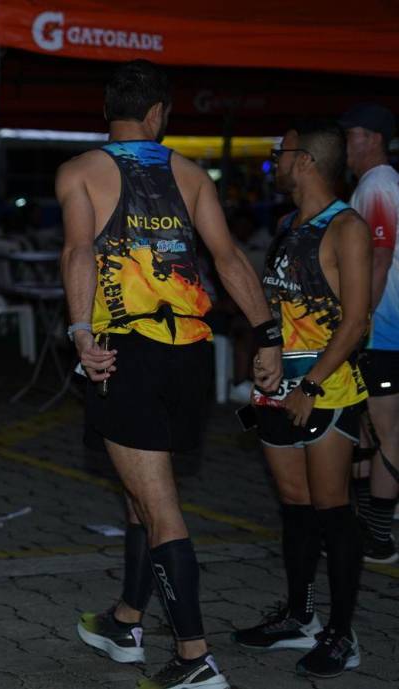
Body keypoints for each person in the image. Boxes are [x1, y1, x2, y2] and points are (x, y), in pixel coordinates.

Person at [58, 60, 282, 689]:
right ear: (159, 114)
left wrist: (81, 333)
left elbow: (78, 250)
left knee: (160, 508)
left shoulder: (79, 172)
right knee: (141, 492)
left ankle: (194, 658)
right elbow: (230, 258)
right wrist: (268, 336)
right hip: (190, 355)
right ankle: (127, 622)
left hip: (126, 351)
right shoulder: (191, 174)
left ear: (111, 110)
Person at [230, 120, 371, 677]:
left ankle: (342, 633)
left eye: (279, 153)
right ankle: (299, 616)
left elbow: (356, 319)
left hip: (326, 389)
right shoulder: (289, 224)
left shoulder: (348, 227)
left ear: (306, 161)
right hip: (279, 389)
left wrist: (312, 386)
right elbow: (279, 308)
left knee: (333, 511)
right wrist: (263, 355)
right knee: (295, 509)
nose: (274, 162)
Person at [340, 103, 399, 564]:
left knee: (386, 431)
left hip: (382, 331)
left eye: (351, 136)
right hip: (381, 329)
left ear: (373, 138)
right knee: (364, 430)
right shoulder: (380, 184)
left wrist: (358, 322)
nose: (345, 146)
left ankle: (379, 538)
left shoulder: (378, 185)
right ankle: (362, 526)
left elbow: (378, 259)